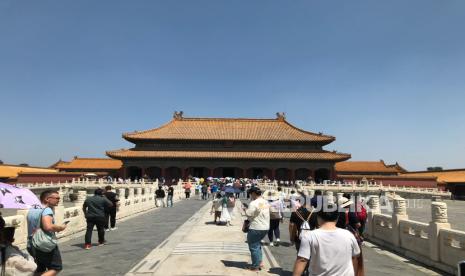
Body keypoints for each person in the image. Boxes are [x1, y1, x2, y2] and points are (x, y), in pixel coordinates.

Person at [292, 202, 361, 276]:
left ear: (318, 217)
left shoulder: (310, 236)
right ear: (337, 218)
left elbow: (302, 260)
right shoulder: (349, 235)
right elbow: (355, 257)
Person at [26, 190, 66, 276]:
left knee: (40, 268)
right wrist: (60, 228)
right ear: (47, 199)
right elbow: (48, 226)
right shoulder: (47, 210)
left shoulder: (32, 209)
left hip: (31, 244)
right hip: (43, 245)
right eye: (57, 198)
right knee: (56, 268)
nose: (59, 200)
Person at [243, 187, 270, 271]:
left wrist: (245, 209)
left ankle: (255, 266)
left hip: (256, 227)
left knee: (253, 247)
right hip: (265, 226)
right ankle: (260, 262)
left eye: (250, 194)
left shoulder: (253, 203)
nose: (250, 196)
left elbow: (249, 214)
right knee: (257, 245)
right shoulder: (265, 201)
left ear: (254, 193)